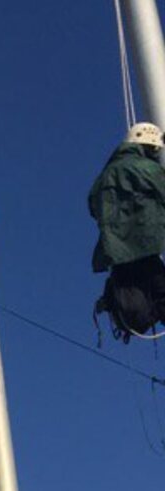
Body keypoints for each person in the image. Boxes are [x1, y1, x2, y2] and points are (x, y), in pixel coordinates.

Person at [89, 122, 165, 339]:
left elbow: (93, 205)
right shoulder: (147, 168)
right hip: (146, 246)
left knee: (136, 306)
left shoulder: (105, 175)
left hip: (117, 257)